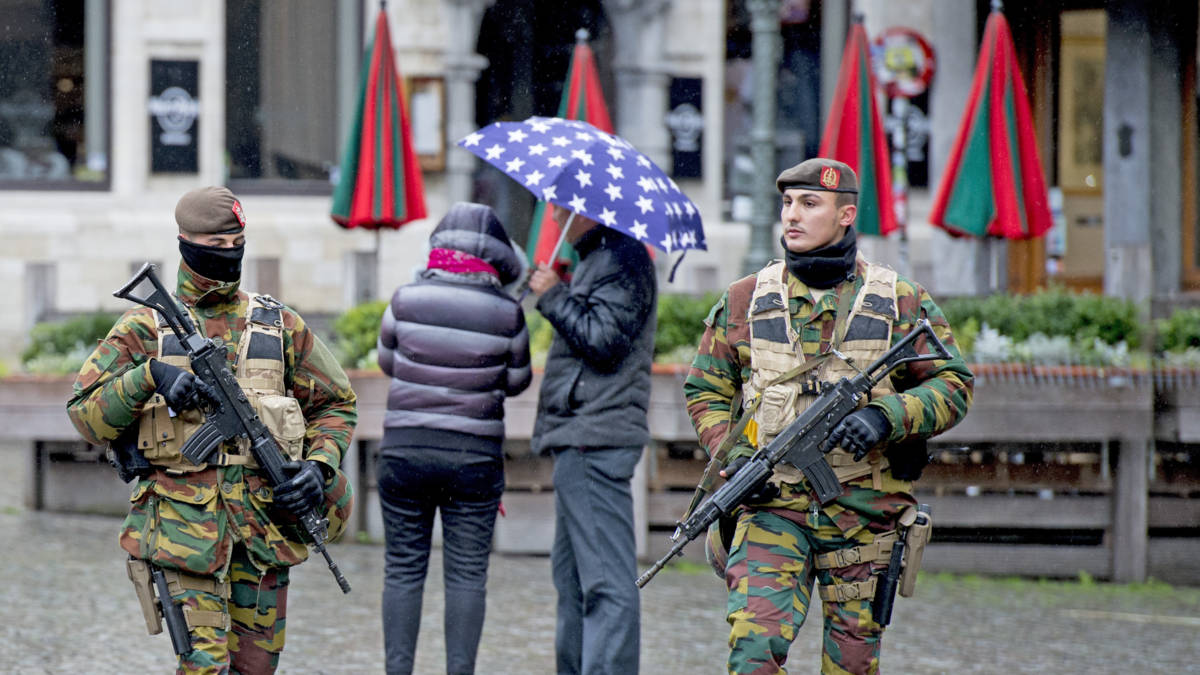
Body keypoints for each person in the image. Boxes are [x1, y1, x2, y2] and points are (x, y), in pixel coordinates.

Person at [683, 158, 974, 675]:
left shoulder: (901, 301)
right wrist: (735, 450)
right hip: (771, 509)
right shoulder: (744, 300)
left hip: (864, 515)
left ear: (846, 215)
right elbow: (706, 387)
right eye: (787, 203)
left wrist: (888, 416)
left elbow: (954, 385)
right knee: (753, 653)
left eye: (809, 204)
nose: (791, 216)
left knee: (853, 666)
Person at [66, 186, 357, 675]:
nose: (230, 255)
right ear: (185, 242)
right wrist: (150, 376)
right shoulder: (145, 326)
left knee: (256, 670)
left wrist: (319, 465)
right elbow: (84, 413)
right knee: (205, 668)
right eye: (216, 246)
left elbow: (335, 404)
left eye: (237, 243)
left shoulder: (278, 324)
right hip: (183, 531)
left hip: (264, 531)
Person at [375, 203, 532, 675]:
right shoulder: (507, 310)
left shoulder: (405, 298)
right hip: (474, 459)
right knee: (466, 574)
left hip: (406, 450)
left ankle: (397, 669)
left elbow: (387, 360)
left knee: (402, 568)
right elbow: (518, 379)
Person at [527, 204, 657, 675]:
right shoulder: (601, 257)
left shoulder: (622, 258)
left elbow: (604, 341)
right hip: (582, 433)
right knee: (574, 578)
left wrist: (554, 296)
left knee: (604, 580)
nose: (554, 213)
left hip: (594, 436)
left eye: (563, 205)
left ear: (591, 210)